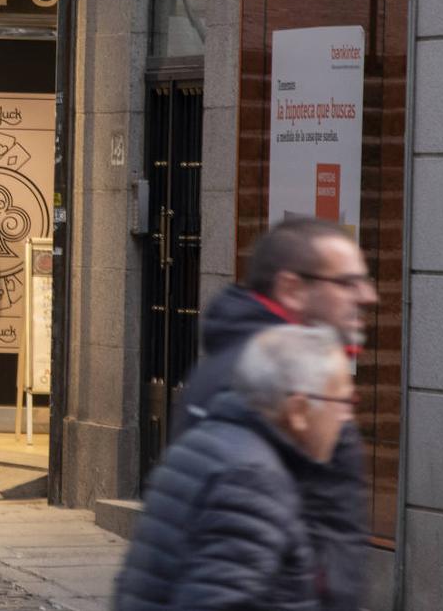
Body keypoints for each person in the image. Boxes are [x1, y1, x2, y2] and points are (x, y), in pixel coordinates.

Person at [173, 217, 378, 611]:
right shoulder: (275, 387)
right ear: (292, 289)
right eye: (347, 283)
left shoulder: (233, 367)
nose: (367, 296)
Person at [116, 325, 356, 611]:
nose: (346, 416)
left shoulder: (204, 444)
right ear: (299, 410)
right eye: (342, 400)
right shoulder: (252, 481)